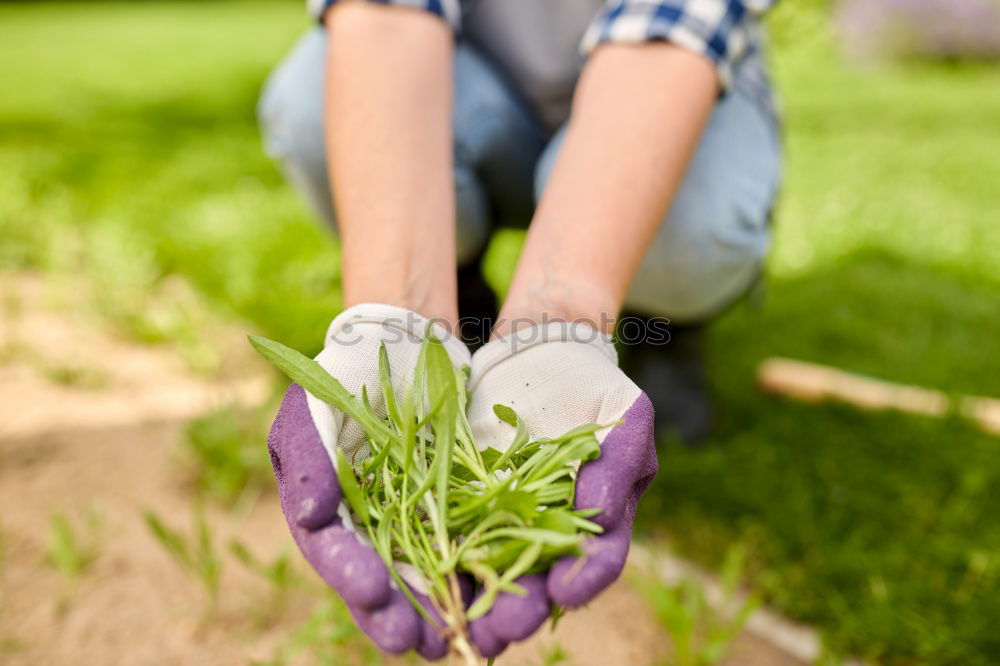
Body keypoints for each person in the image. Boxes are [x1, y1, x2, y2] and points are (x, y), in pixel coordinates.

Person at [258, 0, 780, 659]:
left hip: (673, 77)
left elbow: (671, 27)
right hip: (479, 68)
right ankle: (458, 304)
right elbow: (389, 16)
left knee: (694, 233)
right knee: (311, 104)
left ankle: (665, 324)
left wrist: (559, 328)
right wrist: (392, 322)